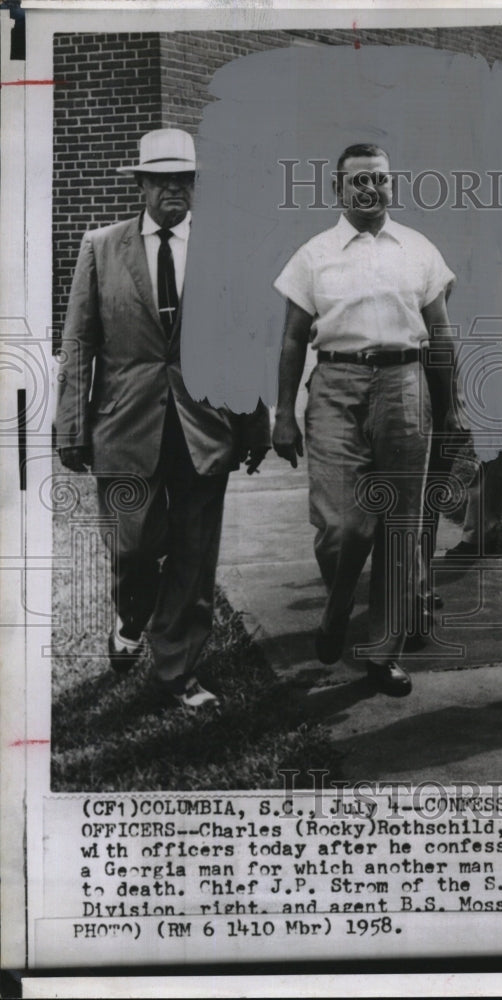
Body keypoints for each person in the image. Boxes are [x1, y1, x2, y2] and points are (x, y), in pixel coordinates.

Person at [56, 128, 270, 709]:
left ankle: (175, 671)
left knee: (195, 556)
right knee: (133, 546)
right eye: (162, 179)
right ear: (143, 185)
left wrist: (255, 425)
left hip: (205, 427)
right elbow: (78, 344)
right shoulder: (101, 247)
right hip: (125, 425)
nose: (174, 188)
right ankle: (131, 621)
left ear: (195, 185)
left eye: (184, 179)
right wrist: (72, 428)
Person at [272, 143, 464, 697]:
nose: (370, 189)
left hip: (405, 386)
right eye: (358, 180)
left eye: (379, 179)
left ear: (392, 185)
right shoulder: (313, 254)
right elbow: (290, 340)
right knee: (344, 526)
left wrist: (449, 407)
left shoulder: (419, 249)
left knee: (402, 527)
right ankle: (336, 612)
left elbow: (442, 333)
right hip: (335, 385)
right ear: (339, 189)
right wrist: (284, 413)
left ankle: (383, 654)